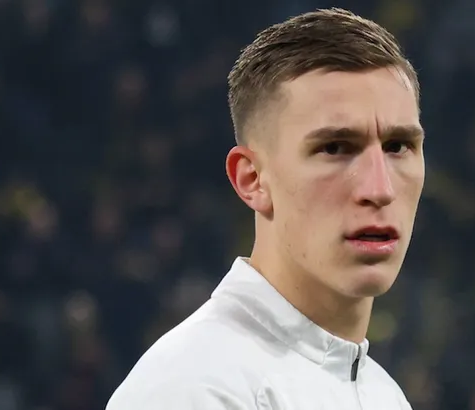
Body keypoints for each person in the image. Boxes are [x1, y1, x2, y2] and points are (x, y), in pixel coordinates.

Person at [106, 7, 424, 409]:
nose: (380, 189)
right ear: (252, 179)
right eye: (335, 148)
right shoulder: (192, 390)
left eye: (398, 146)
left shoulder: (384, 395)